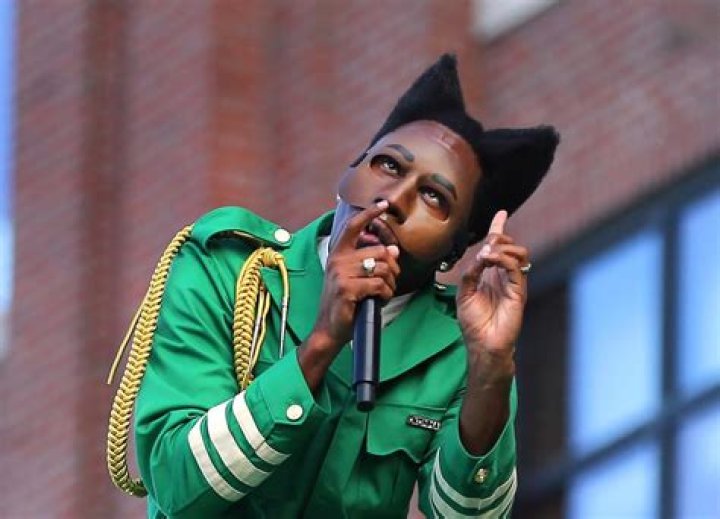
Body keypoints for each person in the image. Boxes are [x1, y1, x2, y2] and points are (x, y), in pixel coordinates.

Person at [120, 54, 559, 518]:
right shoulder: (229, 266)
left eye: (434, 196)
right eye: (388, 165)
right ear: (350, 171)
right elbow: (175, 481)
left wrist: (490, 368)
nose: (393, 199)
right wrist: (322, 342)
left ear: (455, 249)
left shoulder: (459, 345)